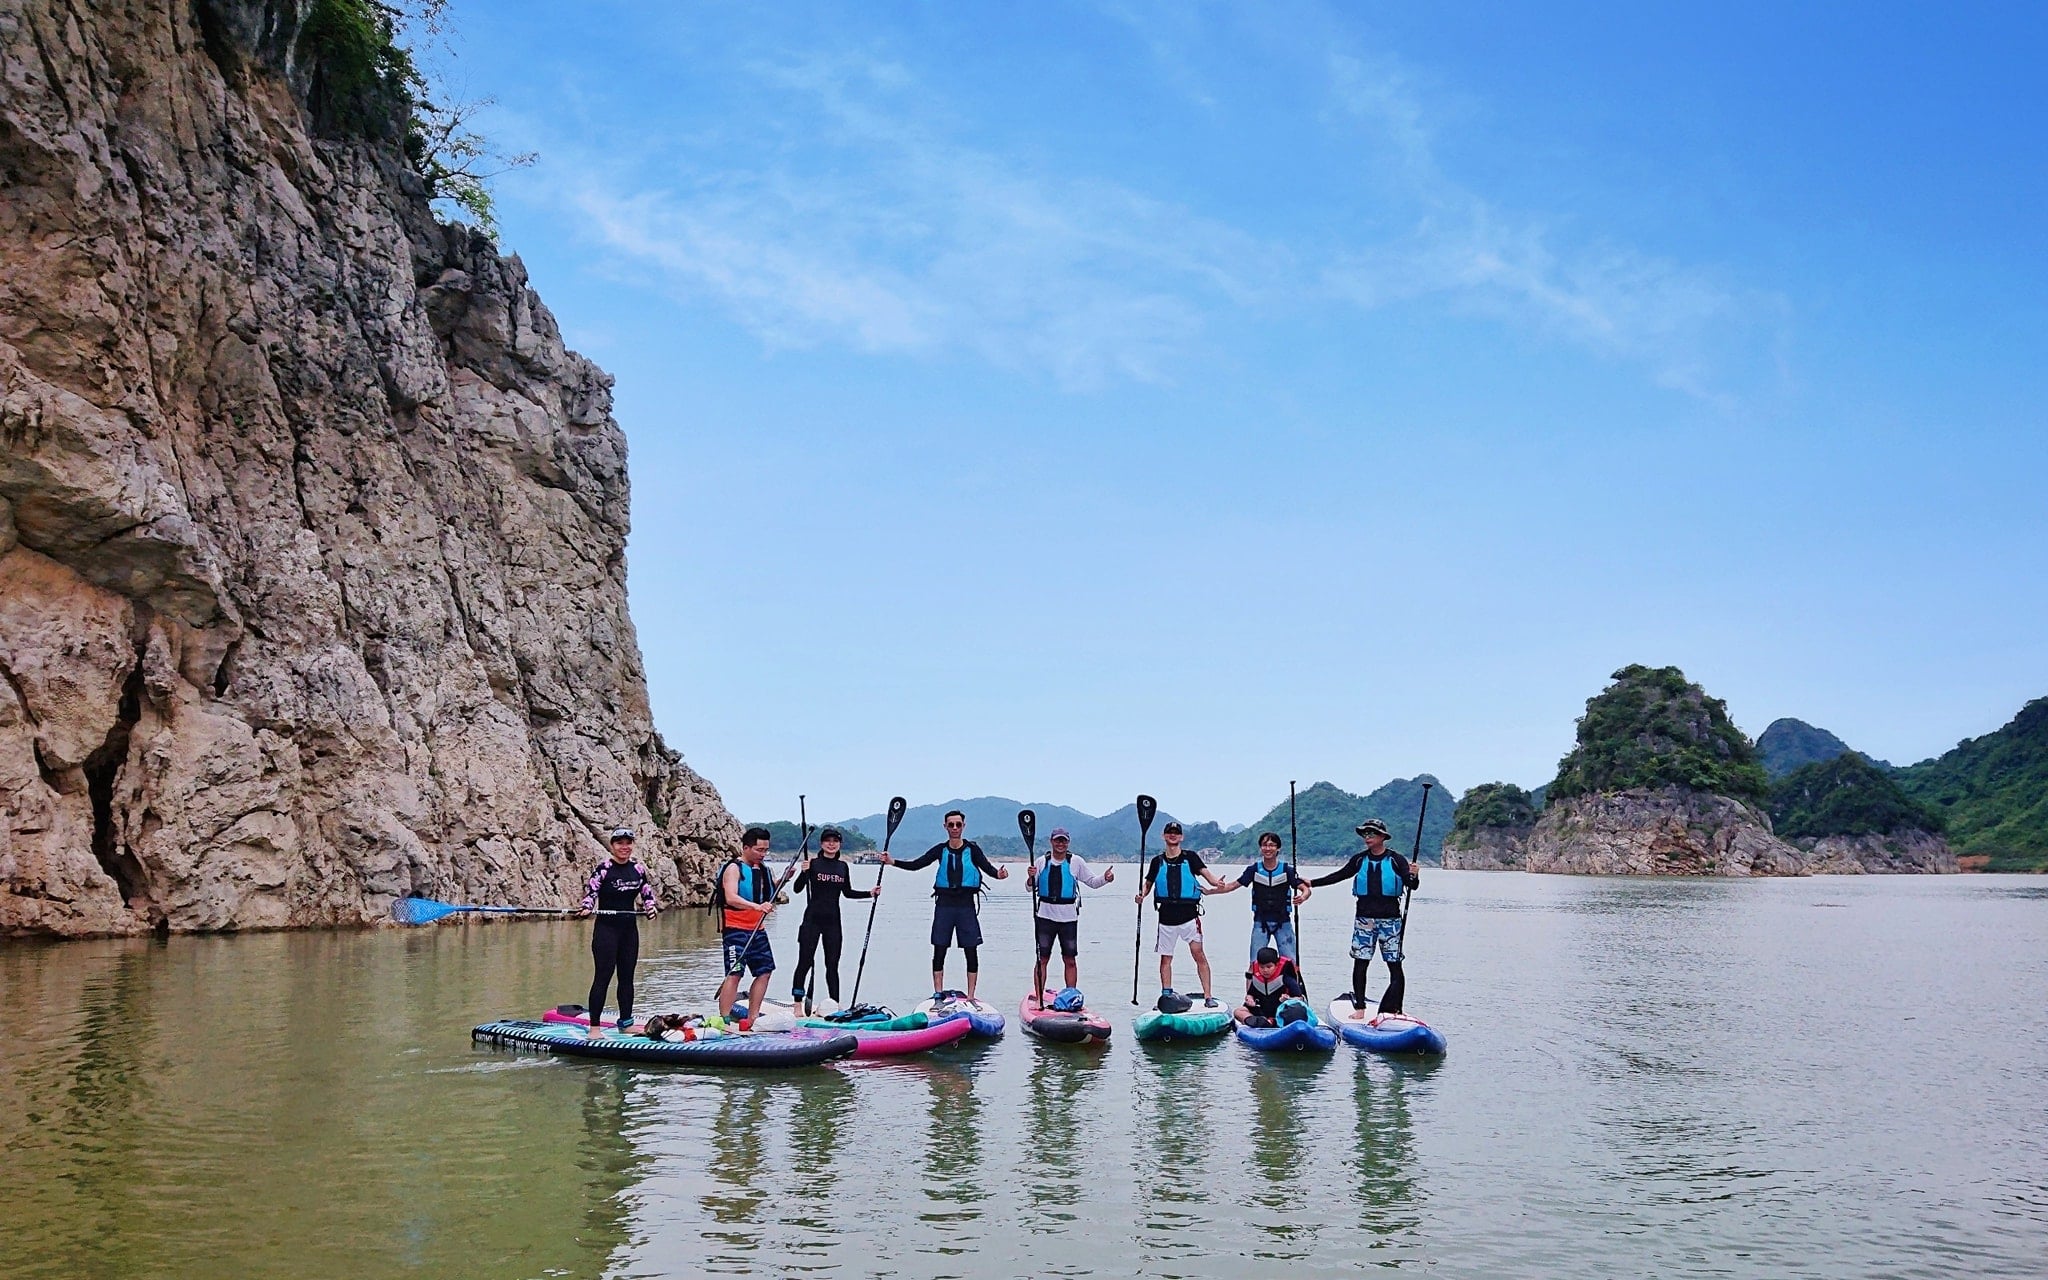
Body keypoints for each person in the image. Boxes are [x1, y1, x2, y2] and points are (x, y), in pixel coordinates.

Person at [879, 809, 1008, 999]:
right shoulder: (940, 849)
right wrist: (892, 862)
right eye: (951, 825)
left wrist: (1000, 874)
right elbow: (917, 864)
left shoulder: (973, 850)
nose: (955, 828)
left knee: (970, 950)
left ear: (963, 826)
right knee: (939, 948)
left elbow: (989, 869)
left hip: (966, 905)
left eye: (958, 824)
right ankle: (938, 993)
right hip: (944, 905)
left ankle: (971, 995)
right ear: (945, 826)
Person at [1308, 817, 1421, 1016]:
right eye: (1365, 834)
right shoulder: (1359, 859)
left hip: (1391, 920)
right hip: (1364, 919)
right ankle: (1360, 1008)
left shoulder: (1396, 859)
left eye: (1372, 834)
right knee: (1361, 963)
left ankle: (1397, 1008)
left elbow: (1412, 885)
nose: (1367, 837)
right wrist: (1311, 883)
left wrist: (1415, 874)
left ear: (1382, 837)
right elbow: (1339, 875)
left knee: (1394, 964)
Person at [1131, 820, 1230, 1003]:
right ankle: (1167, 994)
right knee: (1165, 959)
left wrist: (1217, 883)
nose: (1173, 835)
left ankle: (1208, 996)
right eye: (1169, 832)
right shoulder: (1156, 861)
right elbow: (1148, 884)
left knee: (1198, 953)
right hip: (1166, 918)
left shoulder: (1190, 857)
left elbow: (1208, 875)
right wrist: (1141, 896)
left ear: (1181, 837)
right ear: (1164, 836)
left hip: (1189, 916)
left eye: (1176, 832)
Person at [577, 827, 659, 1037]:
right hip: (606, 930)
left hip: (629, 931)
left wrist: (650, 907)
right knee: (603, 977)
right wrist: (587, 906)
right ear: (612, 846)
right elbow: (592, 892)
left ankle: (626, 1021)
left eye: (628, 843)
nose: (625, 847)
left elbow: (647, 894)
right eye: (620, 843)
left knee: (627, 978)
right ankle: (594, 1027)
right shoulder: (604, 869)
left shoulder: (638, 869)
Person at [789, 827, 878, 1011]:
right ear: (821, 844)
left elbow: (847, 892)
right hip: (812, 920)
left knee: (832, 965)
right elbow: (797, 889)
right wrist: (803, 872)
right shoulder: (813, 863)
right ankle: (797, 1004)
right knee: (804, 961)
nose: (831, 844)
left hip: (833, 923)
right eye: (828, 841)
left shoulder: (842, 867)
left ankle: (835, 1005)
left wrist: (869, 893)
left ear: (840, 845)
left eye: (835, 841)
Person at [1030, 827, 1114, 993]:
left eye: (1063, 840)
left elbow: (1092, 882)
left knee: (1070, 959)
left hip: (1068, 918)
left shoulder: (1076, 862)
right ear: (1051, 841)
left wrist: (1106, 878)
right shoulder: (1041, 862)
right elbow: (1029, 887)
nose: (1060, 844)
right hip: (1045, 916)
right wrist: (1030, 877)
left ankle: (1070, 995)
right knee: (1042, 959)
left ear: (1068, 842)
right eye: (1057, 840)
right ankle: (1039, 996)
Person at [1206, 831, 1311, 962]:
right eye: (1264, 845)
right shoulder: (1253, 870)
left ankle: (1292, 981)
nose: (1268, 848)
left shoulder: (1287, 870)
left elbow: (1305, 889)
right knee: (1254, 963)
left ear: (1278, 848)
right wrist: (1211, 891)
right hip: (1260, 922)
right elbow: (1232, 886)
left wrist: (1303, 897)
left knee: (1290, 962)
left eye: (1272, 845)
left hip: (1283, 922)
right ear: (1260, 848)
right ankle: (1251, 982)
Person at [715, 826, 781, 1021]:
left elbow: (767, 893)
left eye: (766, 850)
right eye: (759, 850)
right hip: (735, 929)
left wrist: (784, 879)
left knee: (765, 971)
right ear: (746, 848)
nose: (763, 854)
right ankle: (724, 1018)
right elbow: (731, 897)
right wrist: (756, 907)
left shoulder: (763, 870)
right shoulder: (733, 868)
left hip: (757, 929)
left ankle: (752, 1018)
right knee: (735, 973)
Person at [1233, 944, 1308, 1026]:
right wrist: (1250, 999)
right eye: (1262, 967)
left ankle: (1272, 1022)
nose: (1265, 970)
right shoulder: (1257, 978)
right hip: (1261, 1011)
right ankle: (1258, 1021)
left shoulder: (1286, 978)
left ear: (1276, 965)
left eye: (1269, 967)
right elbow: (1251, 994)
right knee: (1238, 1011)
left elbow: (1300, 998)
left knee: (1294, 1012)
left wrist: (1288, 999)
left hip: (1280, 1011)